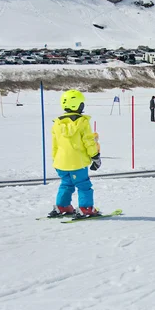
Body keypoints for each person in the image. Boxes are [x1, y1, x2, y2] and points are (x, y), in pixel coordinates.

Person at [48, 90, 100, 218]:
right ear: (77, 105)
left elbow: (55, 144)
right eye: (82, 103)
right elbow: (88, 141)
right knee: (84, 185)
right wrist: (95, 156)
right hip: (77, 162)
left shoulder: (57, 123)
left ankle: (62, 206)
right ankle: (86, 208)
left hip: (61, 162)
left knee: (66, 184)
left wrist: (55, 159)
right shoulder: (82, 122)